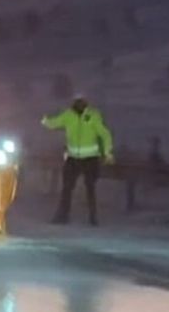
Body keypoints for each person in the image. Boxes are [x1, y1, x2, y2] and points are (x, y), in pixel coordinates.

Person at [41, 95, 114, 225]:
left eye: (82, 101)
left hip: (90, 159)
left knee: (90, 188)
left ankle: (92, 217)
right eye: (78, 101)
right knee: (67, 188)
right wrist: (45, 121)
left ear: (86, 102)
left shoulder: (93, 115)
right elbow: (54, 123)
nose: (80, 103)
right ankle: (62, 216)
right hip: (73, 158)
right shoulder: (68, 115)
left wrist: (107, 152)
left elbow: (104, 134)